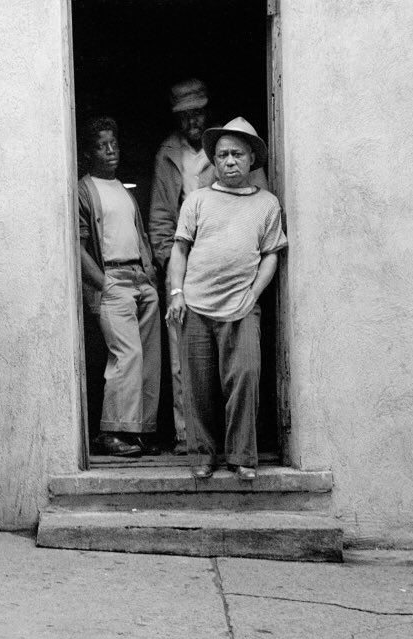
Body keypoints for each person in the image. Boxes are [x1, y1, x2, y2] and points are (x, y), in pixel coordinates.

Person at [149, 79, 268, 455]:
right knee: (186, 364)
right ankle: (191, 440)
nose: (191, 122)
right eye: (184, 116)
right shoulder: (169, 154)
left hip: (235, 280)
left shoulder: (230, 153)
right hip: (189, 272)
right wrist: (173, 269)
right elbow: (161, 216)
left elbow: (261, 213)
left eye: (197, 113)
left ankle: (237, 449)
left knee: (238, 368)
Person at [165, 117, 287, 481]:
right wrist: (177, 293)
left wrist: (253, 293)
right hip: (196, 306)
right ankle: (202, 455)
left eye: (237, 154)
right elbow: (180, 249)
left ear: (251, 159)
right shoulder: (198, 201)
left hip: (241, 308)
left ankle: (242, 456)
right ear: (214, 161)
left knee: (245, 378)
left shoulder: (267, 204)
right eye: (221, 155)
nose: (229, 161)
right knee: (197, 386)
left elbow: (272, 254)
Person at [78, 116, 161, 458]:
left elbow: (138, 235)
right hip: (111, 280)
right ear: (89, 152)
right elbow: (77, 245)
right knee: (126, 356)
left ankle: (139, 432)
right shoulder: (85, 189)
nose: (111, 151)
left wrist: (150, 273)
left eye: (114, 144)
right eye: (102, 145)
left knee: (147, 358)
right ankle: (110, 432)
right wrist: (103, 282)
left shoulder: (124, 190)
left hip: (139, 279)